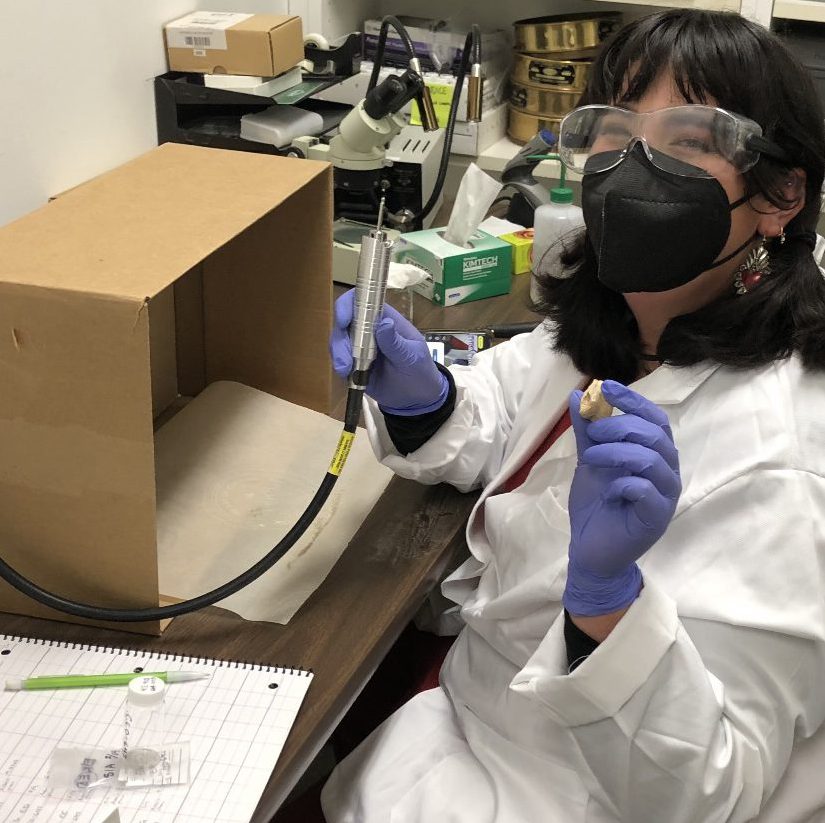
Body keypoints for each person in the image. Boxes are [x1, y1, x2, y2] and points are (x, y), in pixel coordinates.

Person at [324, 9, 825, 822]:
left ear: (778, 196)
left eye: (690, 139)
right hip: (467, 727)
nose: (633, 165)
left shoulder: (784, 454)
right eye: (613, 129)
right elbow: (501, 412)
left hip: (568, 792)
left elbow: (711, 789)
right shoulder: (617, 322)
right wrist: (425, 396)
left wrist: (606, 604)